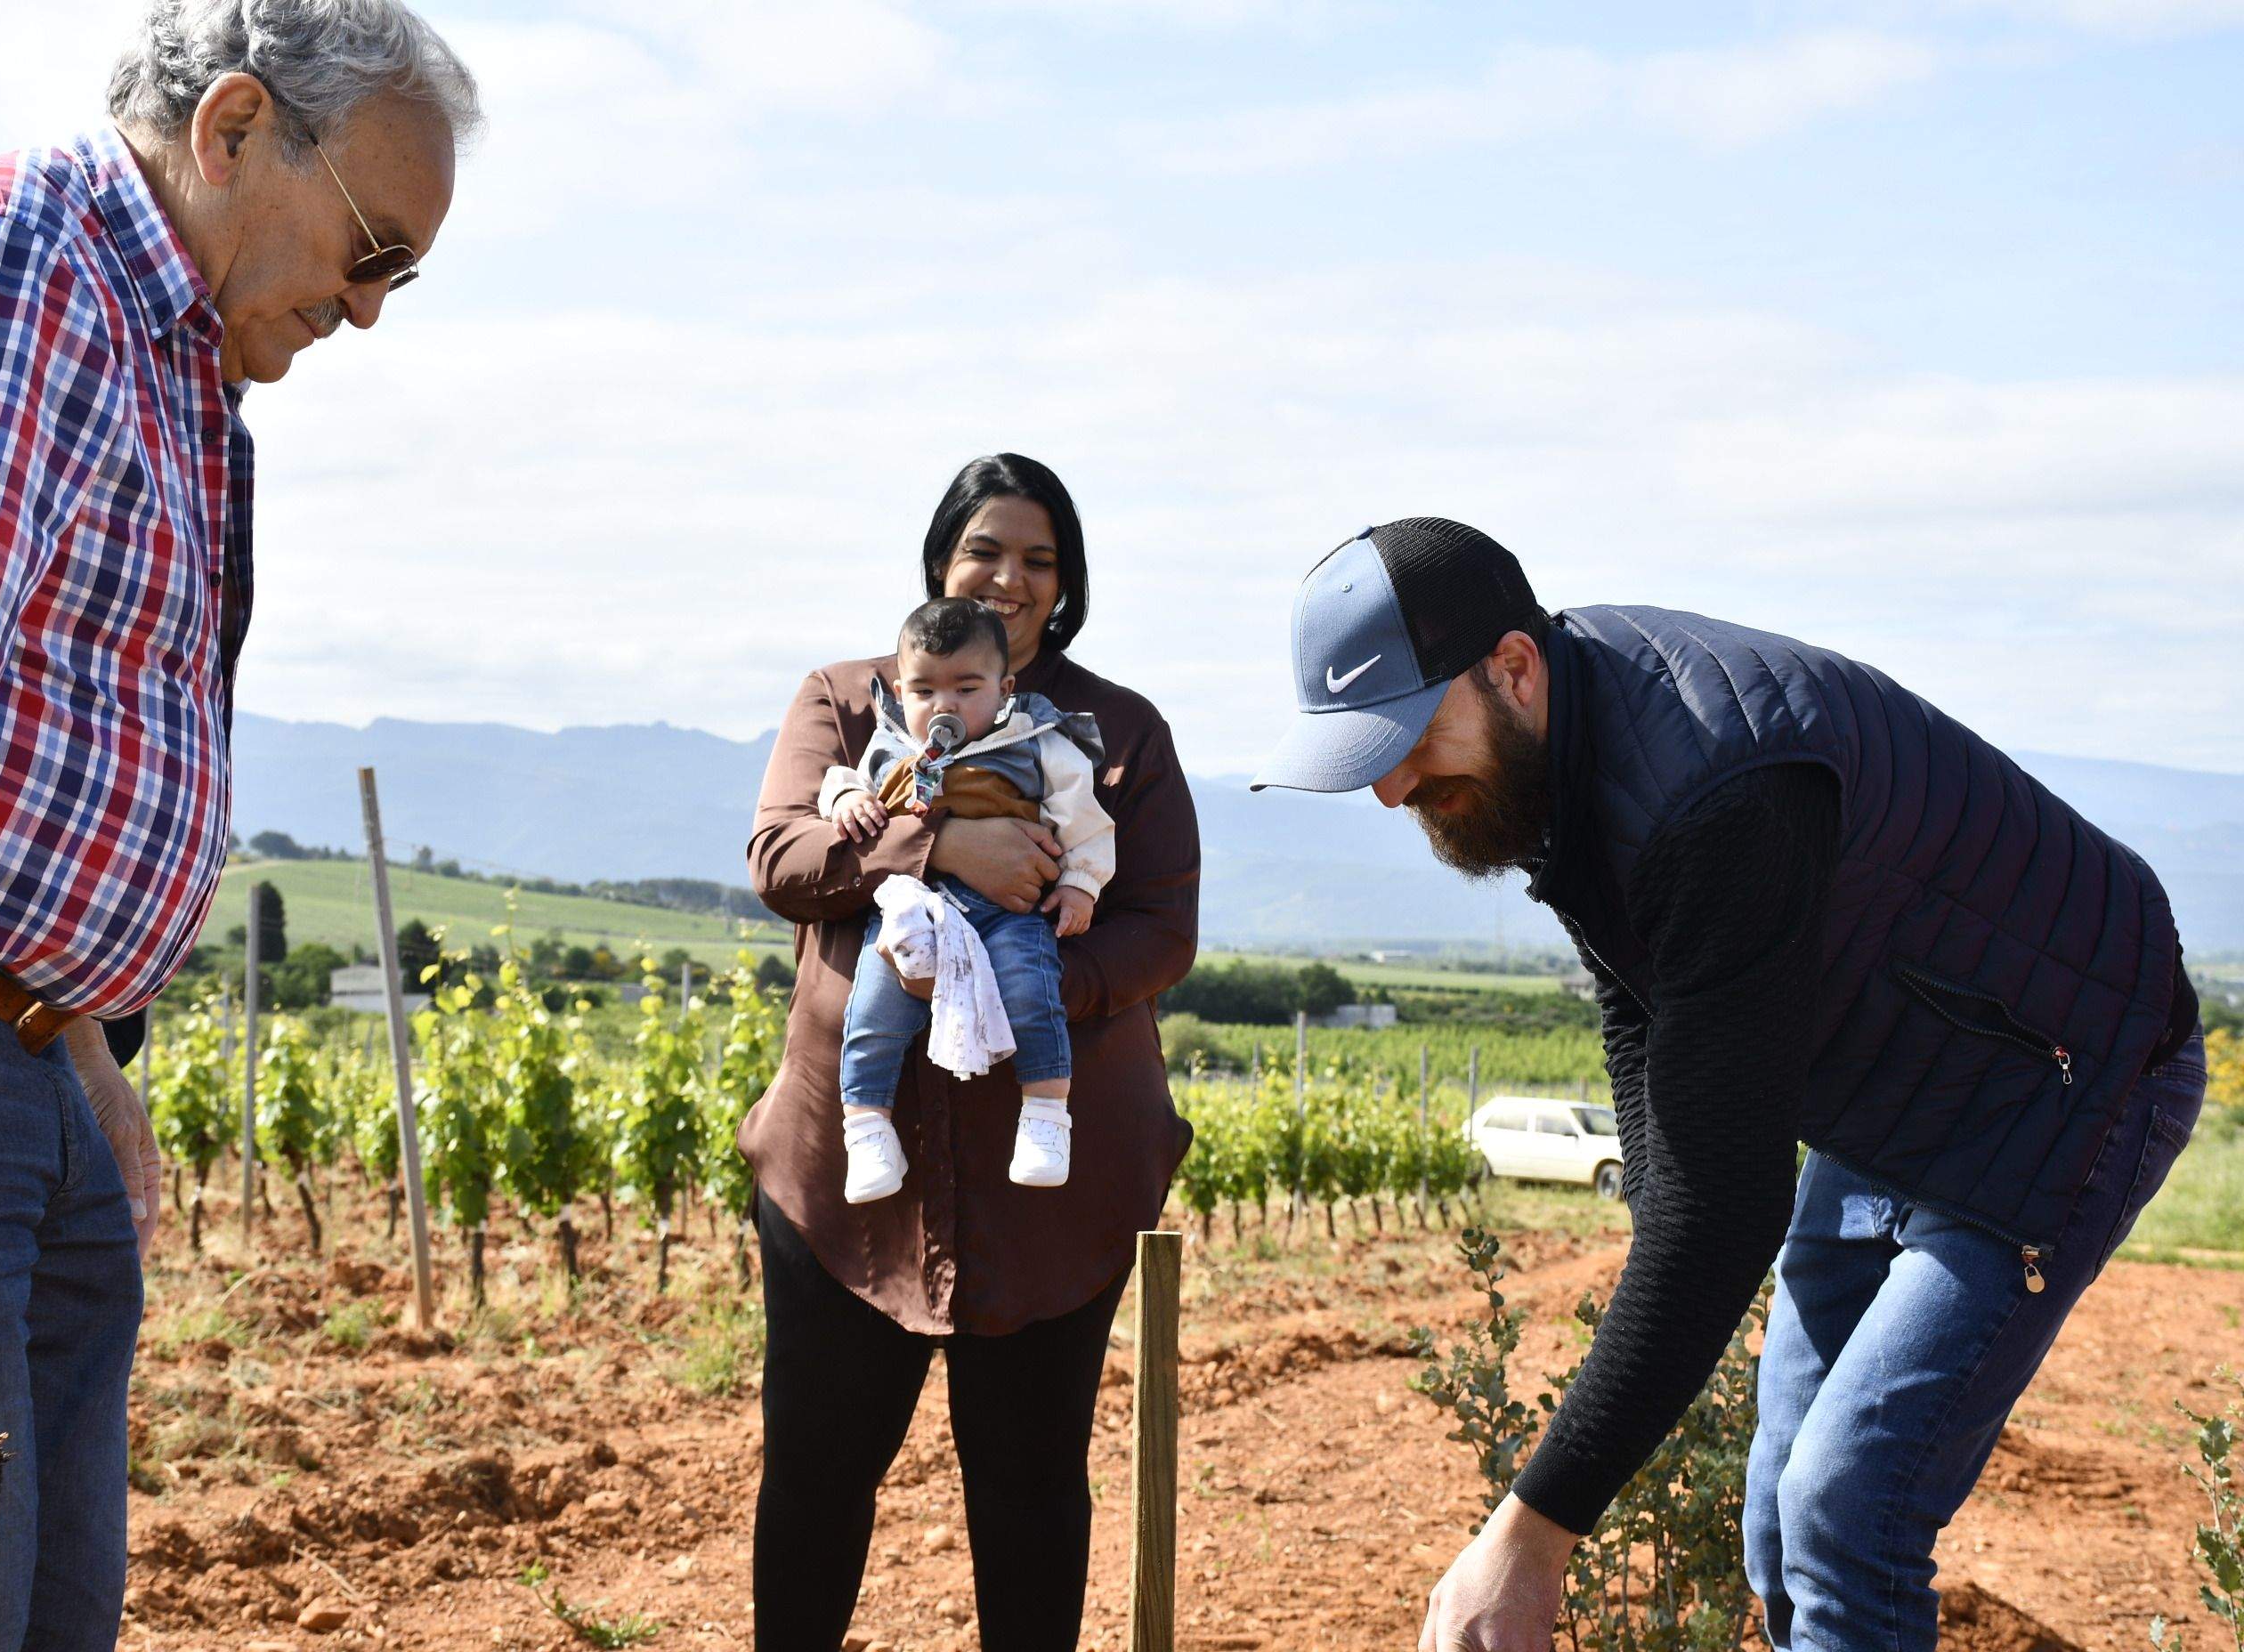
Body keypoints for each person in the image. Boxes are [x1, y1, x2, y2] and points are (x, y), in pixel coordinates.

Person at [0, 4, 475, 1645]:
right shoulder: (5, 267)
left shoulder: (161, 357)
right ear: (233, 130)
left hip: (25, 1072)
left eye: (402, 278)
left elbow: (42, 745)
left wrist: (79, 1056)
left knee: (39, 1609)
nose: (367, 311)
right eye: (372, 249)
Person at [1252, 518, 2203, 1652]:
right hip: (1895, 1079)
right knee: (1775, 1523)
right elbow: (1640, 1009)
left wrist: (1531, 1534)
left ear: (1511, 667)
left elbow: (1724, 1211)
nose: (1392, 785)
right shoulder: (1565, 734)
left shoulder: (1716, 791)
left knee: (1846, 1515)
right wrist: (1664, 1266)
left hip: (2060, 1077)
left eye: (1407, 737)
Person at [741, 453, 1198, 1650]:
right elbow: (785, 863)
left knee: (1033, 1496)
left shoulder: (1117, 733)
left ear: (1068, 582)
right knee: (816, 1482)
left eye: (1040, 559)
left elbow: (1163, 931)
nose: (1011, 577)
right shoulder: (848, 701)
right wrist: (937, 848)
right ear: (942, 558)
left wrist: (1017, 983)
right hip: (844, 1182)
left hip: (1051, 1191)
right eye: (986, 549)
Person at [822, 595, 1116, 1203]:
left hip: (1008, 911)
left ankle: (1044, 1116)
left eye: (966, 688)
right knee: (875, 1008)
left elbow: (1084, 819)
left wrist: (1080, 882)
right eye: (926, 691)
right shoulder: (889, 744)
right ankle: (866, 1127)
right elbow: (843, 781)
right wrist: (845, 801)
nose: (944, 706)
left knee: (1031, 991)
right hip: (914, 907)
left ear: (1003, 689)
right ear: (901, 691)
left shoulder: (1036, 740)